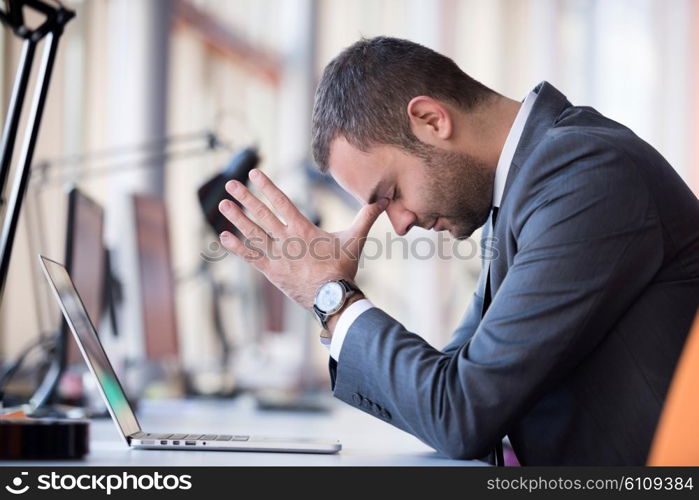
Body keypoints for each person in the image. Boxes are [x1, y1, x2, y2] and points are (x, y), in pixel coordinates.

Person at [216, 37, 699, 465]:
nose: (400, 224)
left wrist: (333, 300)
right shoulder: (529, 186)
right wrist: (335, 300)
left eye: (391, 193)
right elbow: (446, 392)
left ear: (430, 120)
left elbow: (460, 412)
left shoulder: (585, 177)